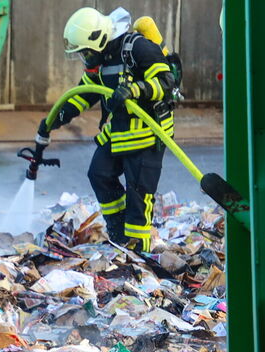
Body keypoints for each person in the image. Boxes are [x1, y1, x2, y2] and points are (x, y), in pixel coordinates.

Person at [37, 7, 176, 252]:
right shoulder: (102, 60)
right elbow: (84, 93)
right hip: (119, 131)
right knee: (99, 174)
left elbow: (166, 82)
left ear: (99, 40)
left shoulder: (138, 48)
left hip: (148, 133)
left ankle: (139, 251)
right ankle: (118, 234)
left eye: (86, 52)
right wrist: (56, 118)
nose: (86, 57)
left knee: (138, 196)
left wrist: (135, 90)